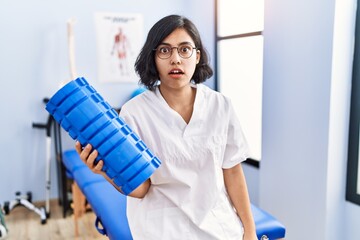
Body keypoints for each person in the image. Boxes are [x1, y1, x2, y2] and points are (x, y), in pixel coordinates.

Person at [75, 14, 257, 240]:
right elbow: (141, 189)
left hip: (218, 226)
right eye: (164, 50)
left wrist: (249, 231)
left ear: (197, 56)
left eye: (184, 49)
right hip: (162, 229)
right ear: (153, 58)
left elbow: (232, 171)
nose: (176, 59)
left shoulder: (221, 105)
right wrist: (103, 170)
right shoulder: (135, 112)